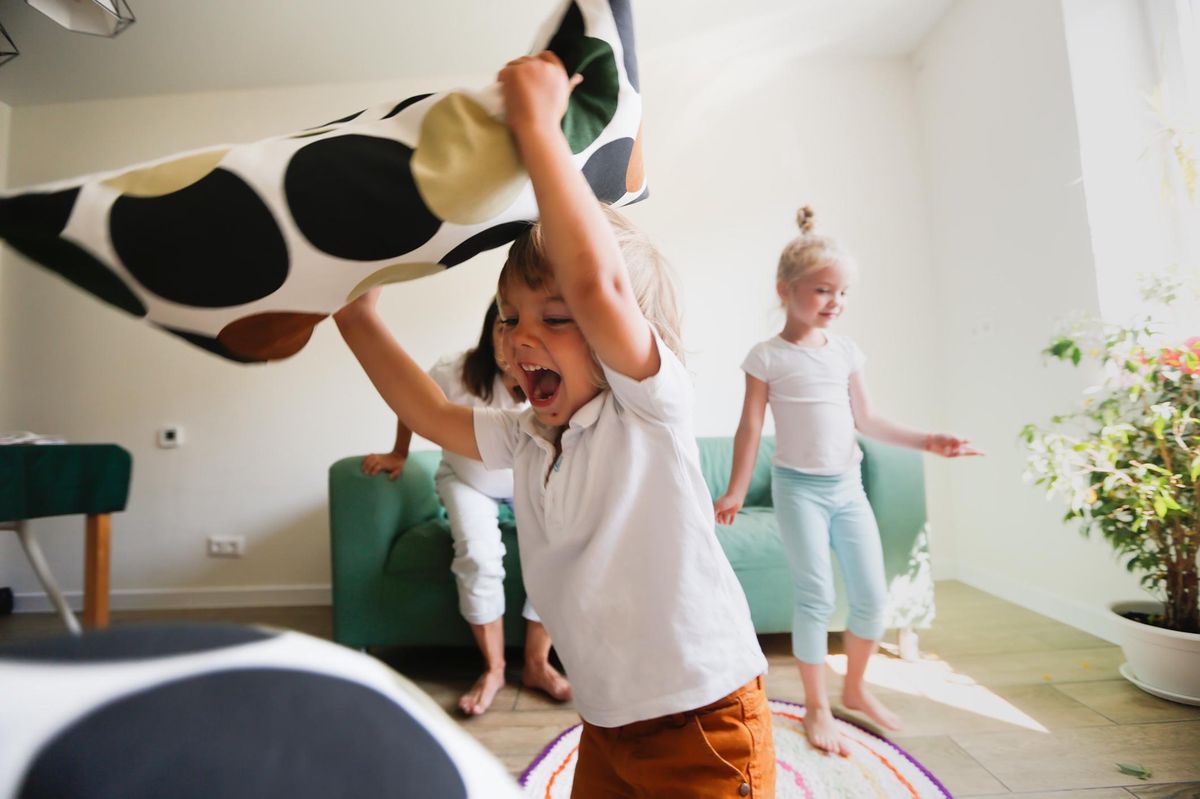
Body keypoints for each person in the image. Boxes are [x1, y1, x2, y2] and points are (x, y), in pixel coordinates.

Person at [335, 51, 775, 798]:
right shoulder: (527, 435)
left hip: (703, 721)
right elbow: (429, 412)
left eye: (557, 317)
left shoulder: (648, 409)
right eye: (509, 317)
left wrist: (540, 129)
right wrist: (355, 318)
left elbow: (597, 284)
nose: (518, 337)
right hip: (606, 722)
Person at [714, 206, 982, 756]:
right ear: (785, 290)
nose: (834, 301)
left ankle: (855, 689)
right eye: (822, 290)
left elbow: (869, 420)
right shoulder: (766, 357)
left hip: (847, 488)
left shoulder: (846, 352)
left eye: (842, 292)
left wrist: (928, 440)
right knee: (815, 595)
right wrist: (737, 488)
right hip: (799, 491)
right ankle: (816, 706)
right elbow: (750, 427)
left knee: (872, 598)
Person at [360, 301, 569, 716]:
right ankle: (493, 669)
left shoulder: (552, 376)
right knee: (477, 554)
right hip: (467, 479)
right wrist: (399, 453)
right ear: (491, 330)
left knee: (558, 552)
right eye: (504, 326)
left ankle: (536, 663)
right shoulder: (453, 371)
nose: (512, 339)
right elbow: (412, 404)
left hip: (529, 482)